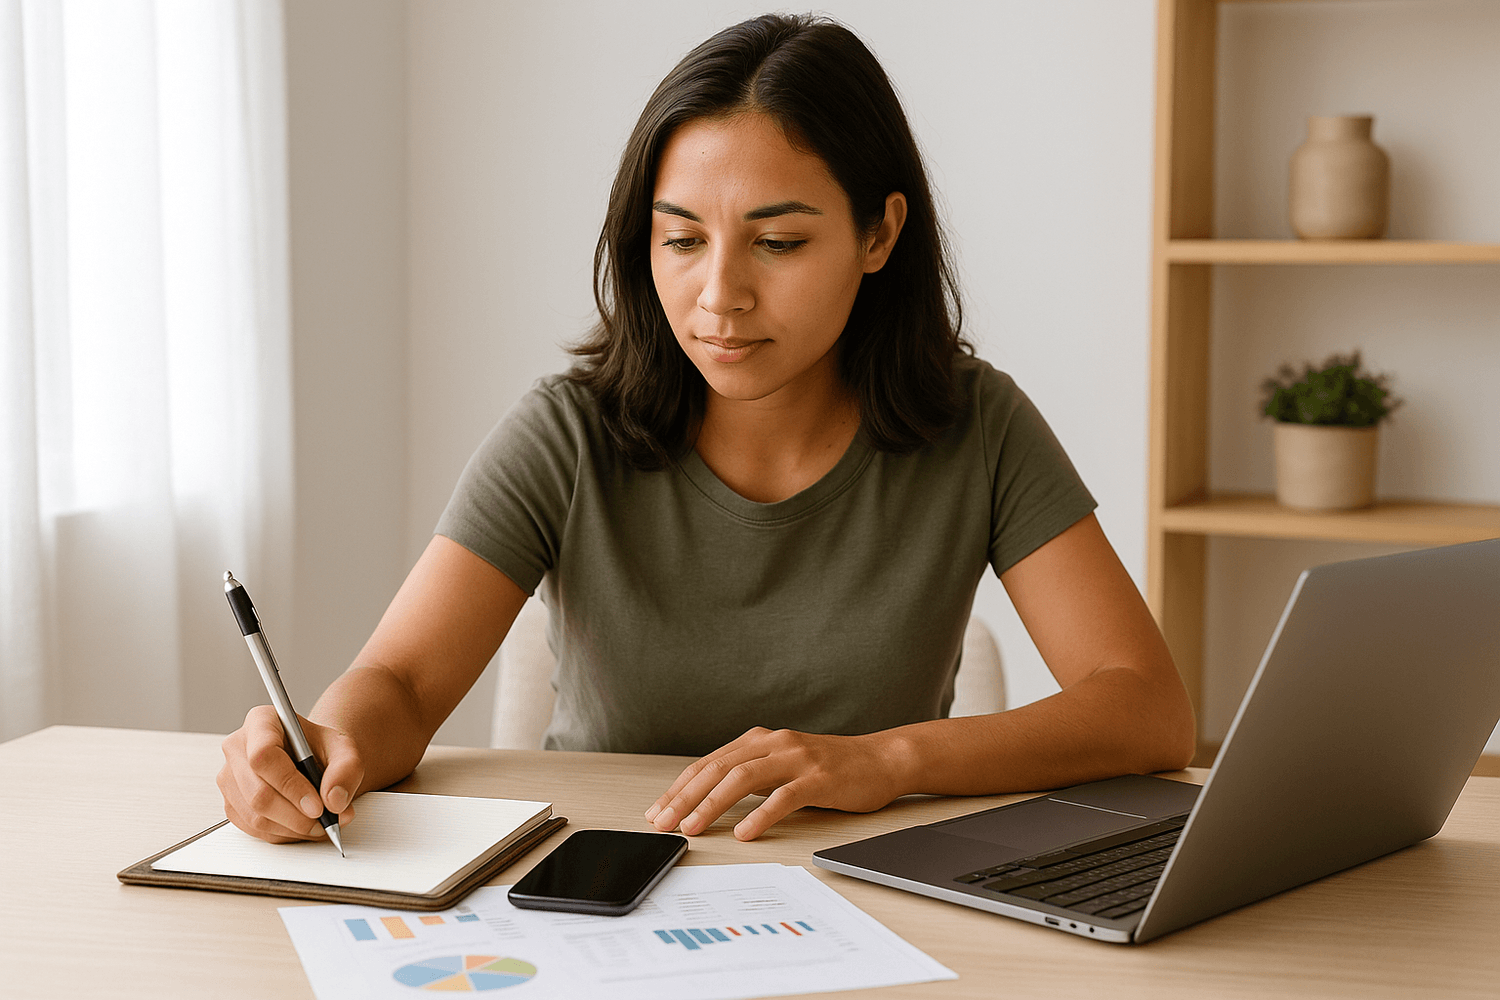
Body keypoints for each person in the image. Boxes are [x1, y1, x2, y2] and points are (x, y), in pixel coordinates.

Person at [217, 13, 1194, 847]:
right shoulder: (568, 433)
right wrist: (325, 738)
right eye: (681, 238)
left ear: (879, 234)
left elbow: (1147, 709)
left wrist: (887, 759)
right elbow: (400, 682)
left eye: (777, 242)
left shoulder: (977, 425)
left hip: (874, 906)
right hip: (600, 892)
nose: (718, 294)